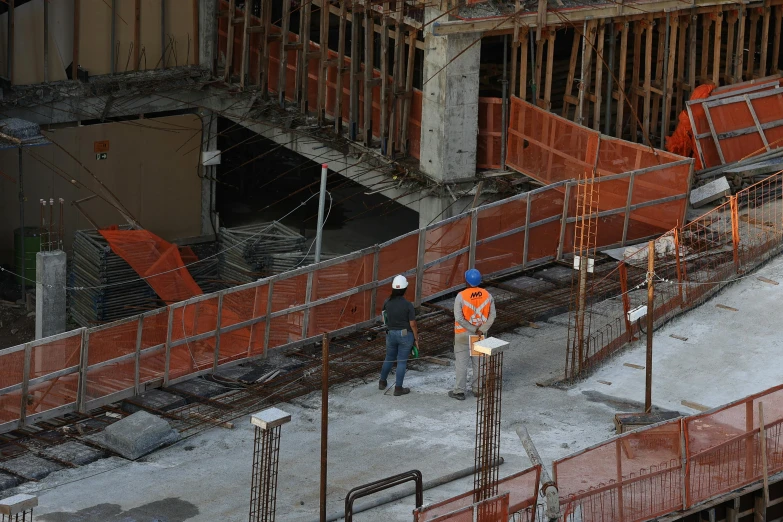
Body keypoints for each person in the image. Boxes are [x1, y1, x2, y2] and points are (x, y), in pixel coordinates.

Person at [449, 269, 496, 400]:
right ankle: (477, 389)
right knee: (478, 363)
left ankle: (459, 391)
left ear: (467, 281)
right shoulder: (487, 295)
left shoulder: (461, 296)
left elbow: (459, 318)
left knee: (461, 364)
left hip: (462, 334)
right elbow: (492, 315)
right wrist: (482, 329)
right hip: (479, 335)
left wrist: (472, 328)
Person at [379, 275, 420, 396]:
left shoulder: (387, 302)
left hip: (390, 334)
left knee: (389, 358)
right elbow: (413, 324)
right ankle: (398, 388)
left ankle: (382, 382)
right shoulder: (408, 305)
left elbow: (383, 319)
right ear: (405, 289)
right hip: (405, 335)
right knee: (402, 361)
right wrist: (416, 339)